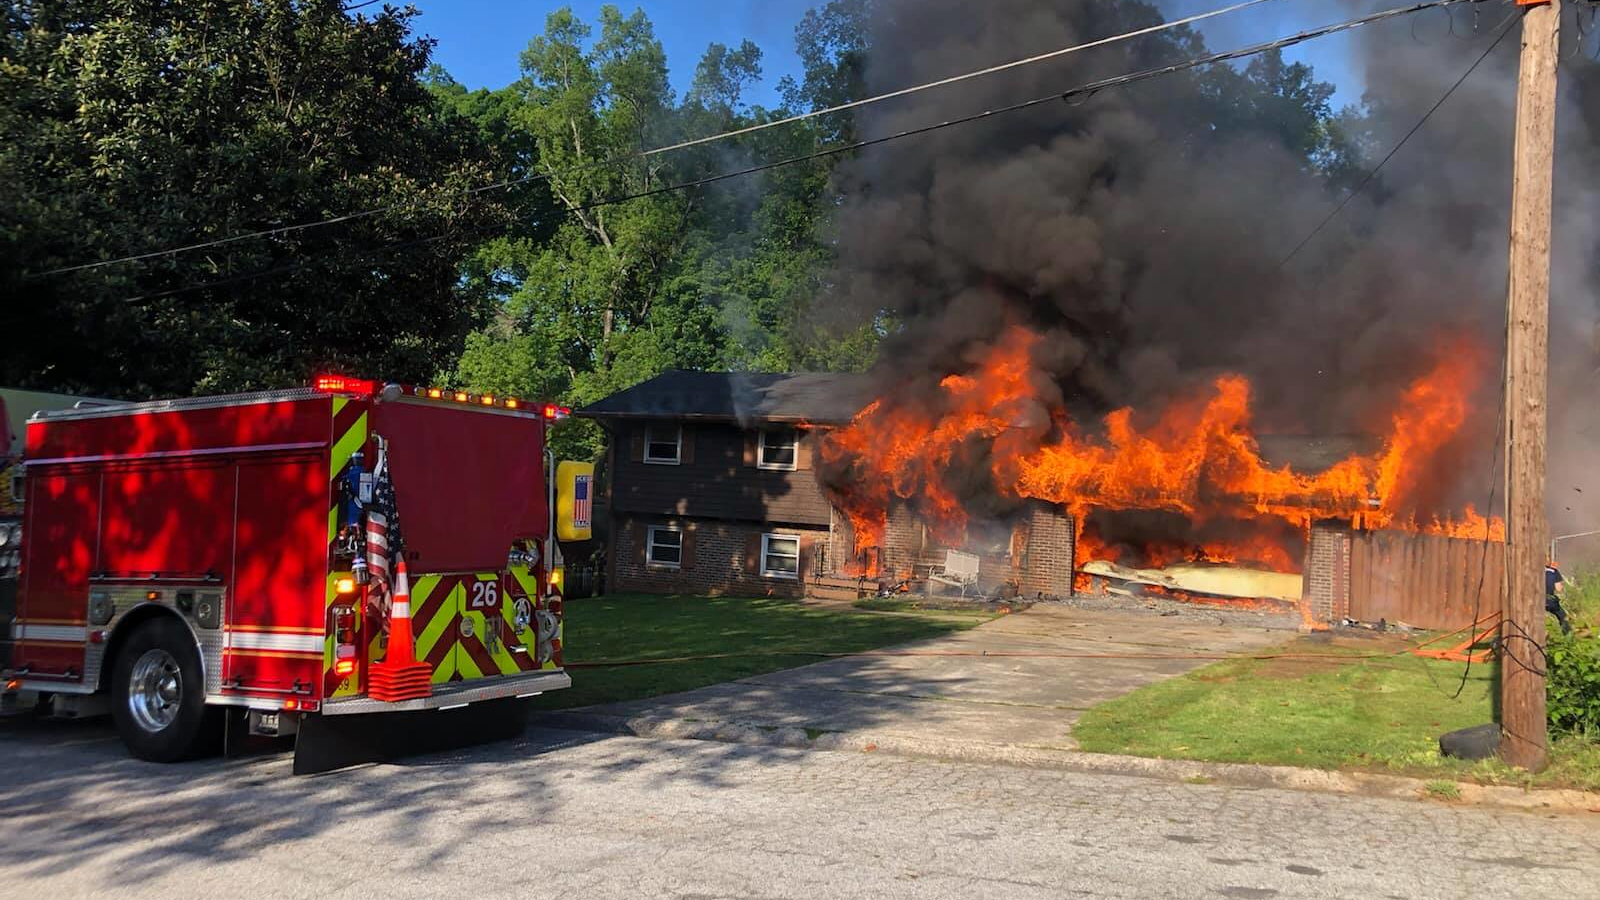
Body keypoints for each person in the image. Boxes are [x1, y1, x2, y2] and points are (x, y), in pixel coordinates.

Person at [1546, 561, 1573, 635]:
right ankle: (1567, 635)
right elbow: (1558, 588)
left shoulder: (1534, 569)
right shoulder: (1554, 571)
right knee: (1562, 616)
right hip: (1548, 599)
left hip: (1534, 600)